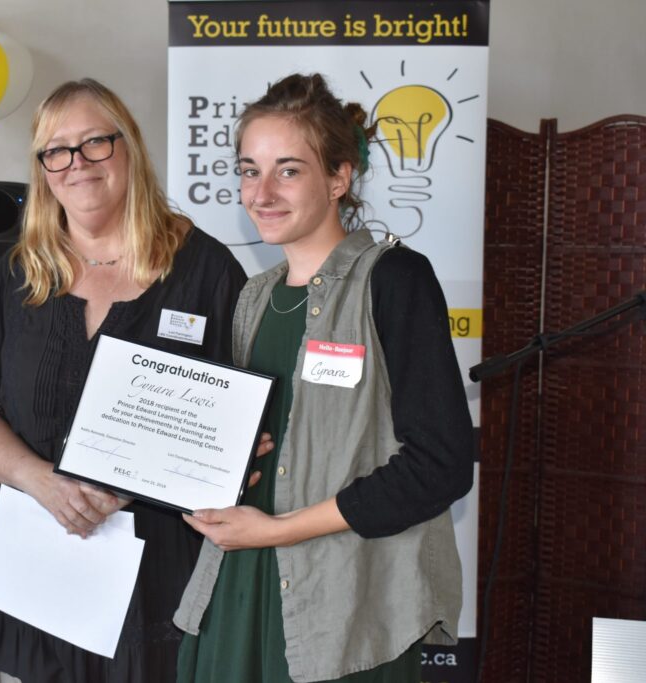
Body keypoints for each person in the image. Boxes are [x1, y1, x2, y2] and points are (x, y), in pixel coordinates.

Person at [175, 73, 474, 683]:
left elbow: (440, 465)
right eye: (250, 170)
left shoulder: (395, 280)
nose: (262, 193)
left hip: (349, 608)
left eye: (288, 171)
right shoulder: (254, 297)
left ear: (339, 178)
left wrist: (280, 530)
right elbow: (263, 442)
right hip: (239, 586)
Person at [0, 78, 248, 682]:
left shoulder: (206, 270)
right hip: (38, 573)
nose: (77, 163)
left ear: (128, 146)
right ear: (42, 169)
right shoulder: (21, 274)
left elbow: (242, 427)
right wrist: (40, 480)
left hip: (159, 580)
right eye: (56, 151)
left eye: (94, 142)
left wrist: (148, 478)